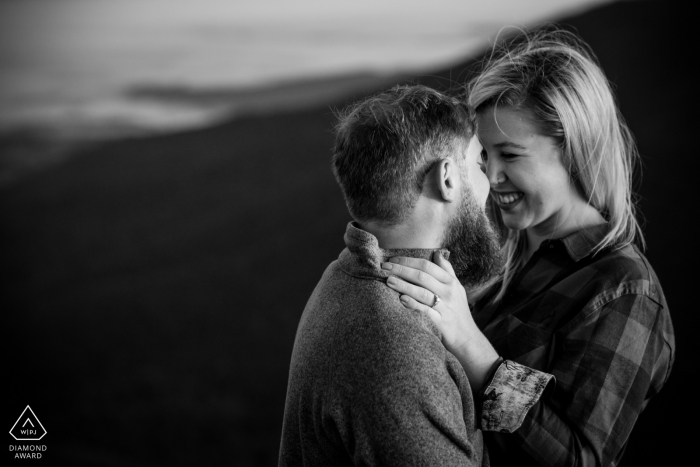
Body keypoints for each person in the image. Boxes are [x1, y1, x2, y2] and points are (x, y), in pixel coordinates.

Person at [384, 30, 675, 466]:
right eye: (484, 155)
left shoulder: (624, 292)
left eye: (511, 155)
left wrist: (472, 346)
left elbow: (580, 460)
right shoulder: (505, 250)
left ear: (574, 148)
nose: (491, 175)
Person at [278, 85, 503, 466]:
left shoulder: (343, 276)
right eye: (480, 164)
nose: (492, 182)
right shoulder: (396, 347)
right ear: (447, 177)